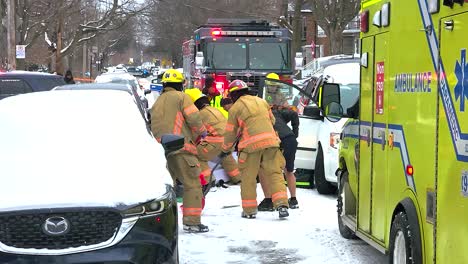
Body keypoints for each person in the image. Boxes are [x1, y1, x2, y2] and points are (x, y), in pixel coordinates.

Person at [150, 69, 209, 233]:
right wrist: (202, 131)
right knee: (193, 184)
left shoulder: (157, 101)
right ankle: (192, 222)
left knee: (165, 188)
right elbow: (194, 118)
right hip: (180, 148)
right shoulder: (182, 97)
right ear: (180, 84)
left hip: (160, 151)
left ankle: (159, 224)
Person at [221, 79, 289, 219]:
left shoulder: (235, 108)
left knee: (248, 178)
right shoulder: (261, 102)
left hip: (250, 147)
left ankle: (250, 210)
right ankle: (282, 204)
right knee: (275, 174)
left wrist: (225, 148)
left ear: (233, 95)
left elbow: (230, 132)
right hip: (271, 143)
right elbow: (272, 121)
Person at [184, 88, 241, 185]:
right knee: (226, 156)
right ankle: (238, 178)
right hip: (229, 140)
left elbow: (194, 135)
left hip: (216, 143)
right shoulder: (214, 109)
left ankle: (208, 180)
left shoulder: (198, 115)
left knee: (196, 155)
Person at [258, 105, 300, 211]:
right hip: (291, 139)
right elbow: (294, 114)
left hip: (279, 141)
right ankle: (293, 199)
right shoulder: (278, 113)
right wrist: (295, 133)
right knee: (289, 170)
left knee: (269, 170)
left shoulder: (261, 116)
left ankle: (269, 200)